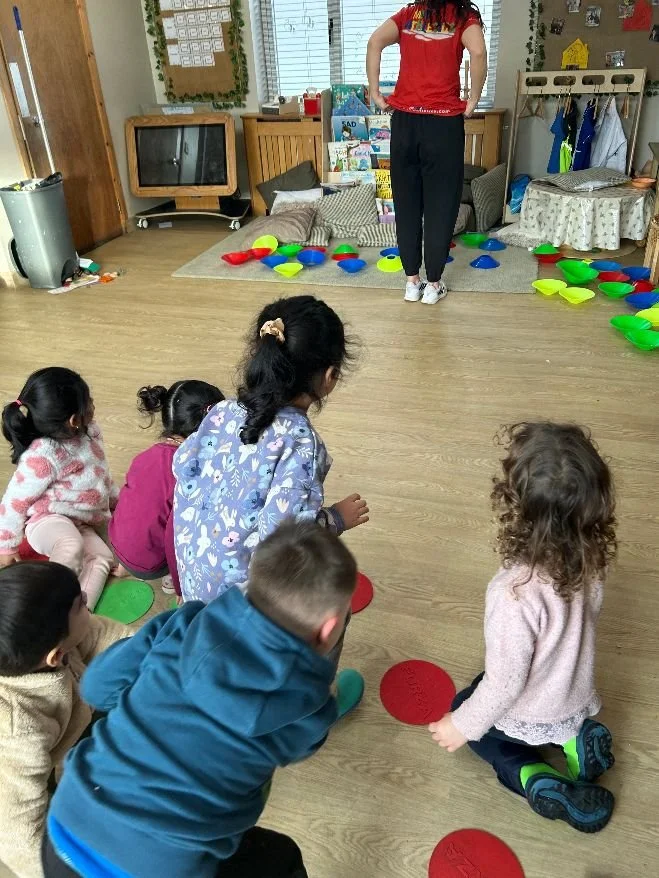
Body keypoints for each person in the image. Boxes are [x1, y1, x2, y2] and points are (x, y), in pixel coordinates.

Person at [43, 521, 358, 878]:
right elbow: (301, 747)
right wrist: (325, 699)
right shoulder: (308, 703)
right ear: (330, 628)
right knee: (282, 858)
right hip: (161, 869)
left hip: (63, 830)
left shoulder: (183, 623)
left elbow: (97, 689)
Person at [429, 422, 617, 833]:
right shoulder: (592, 557)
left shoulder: (514, 594)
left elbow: (504, 685)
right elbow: (591, 617)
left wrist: (460, 726)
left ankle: (536, 778)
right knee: (488, 692)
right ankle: (574, 742)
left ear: (514, 506)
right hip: (576, 690)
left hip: (533, 706)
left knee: (475, 720)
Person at [172, 295, 368, 603]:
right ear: (330, 377)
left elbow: (184, 470)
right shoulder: (301, 442)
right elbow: (285, 542)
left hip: (192, 584)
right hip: (238, 607)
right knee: (333, 607)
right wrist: (335, 520)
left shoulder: (222, 410)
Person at [0, 561, 131, 878]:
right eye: (82, 604)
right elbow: (16, 827)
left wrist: (159, 658)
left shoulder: (51, 646)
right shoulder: (18, 729)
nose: (89, 598)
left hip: (73, 729)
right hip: (25, 787)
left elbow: (110, 638)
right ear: (56, 657)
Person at [367, 1, 488, 304]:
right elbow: (479, 52)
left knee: (407, 204)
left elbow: (374, 42)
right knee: (441, 205)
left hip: (405, 122)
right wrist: (473, 100)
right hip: (443, 124)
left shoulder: (409, 15)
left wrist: (375, 91)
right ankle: (433, 286)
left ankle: (411, 282)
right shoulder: (463, 17)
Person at [0, 368, 116, 610]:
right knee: (70, 545)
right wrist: (7, 546)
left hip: (82, 520)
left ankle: (80, 615)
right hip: (47, 519)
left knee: (102, 558)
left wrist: (119, 500)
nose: (93, 404)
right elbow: (14, 501)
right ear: (74, 419)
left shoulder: (91, 431)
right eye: (89, 401)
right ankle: (47, 609)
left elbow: (99, 476)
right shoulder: (43, 454)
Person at [109, 380, 224, 598]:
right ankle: (169, 580)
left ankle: (127, 565)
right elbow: (177, 536)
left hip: (117, 544)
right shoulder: (186, 474)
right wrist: (182, 585)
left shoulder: (146, 456)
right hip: (151, 565)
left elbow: (129, 499)